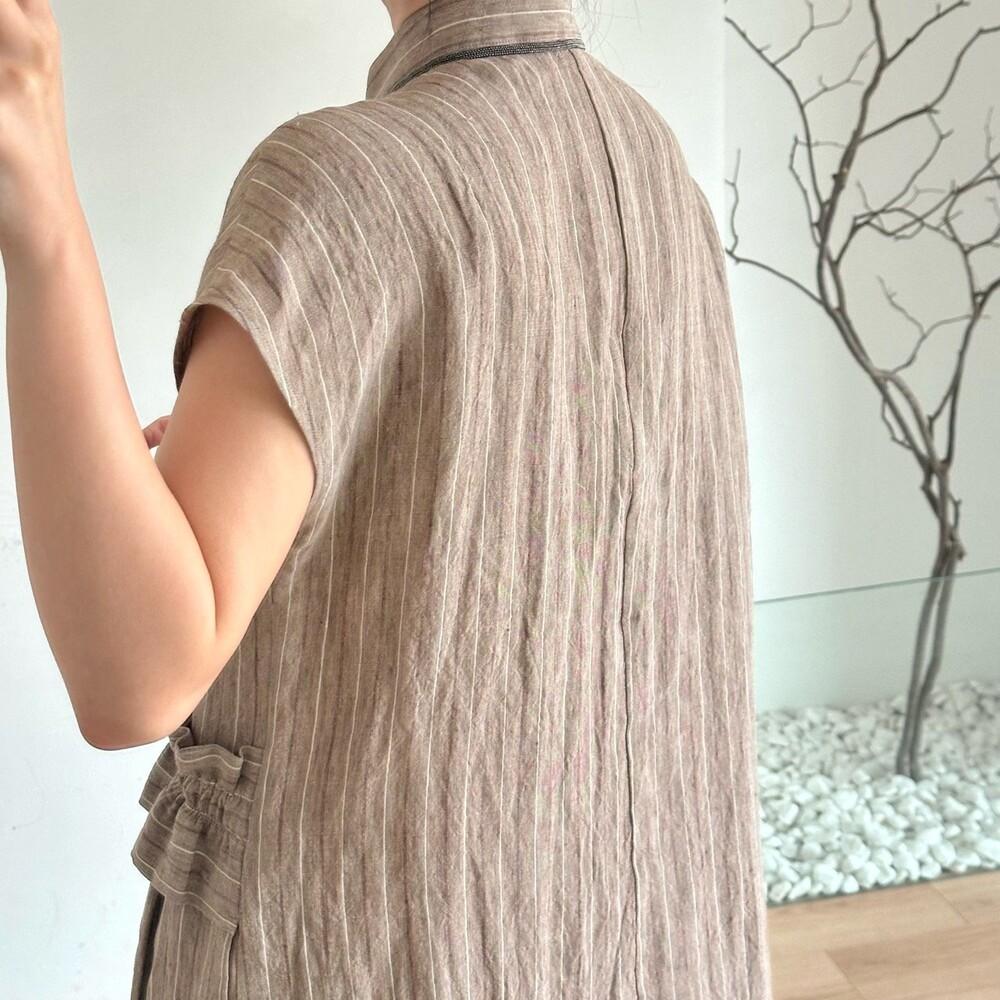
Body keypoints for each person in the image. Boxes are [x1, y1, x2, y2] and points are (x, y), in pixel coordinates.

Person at [129, 0, 775, 996]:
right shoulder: (661, 171)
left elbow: (129, 673)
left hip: (360, 949)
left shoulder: (344, 182)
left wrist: (41, 208)